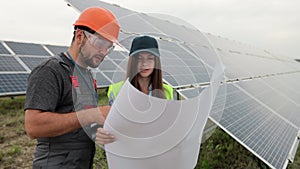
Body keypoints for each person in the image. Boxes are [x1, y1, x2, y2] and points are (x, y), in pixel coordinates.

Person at [24, 7, 120, 169]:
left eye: (109, 47)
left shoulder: (87, 76)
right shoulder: (51, 70)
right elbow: (33, 126)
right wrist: (92, 115)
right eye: (100, 44)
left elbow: (84, 121)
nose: (104, 52)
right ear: (80, 36)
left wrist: (98, 133)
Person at [95, 35, 173, 145]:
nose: (144, 63)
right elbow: (112, 127)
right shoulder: (116, 90)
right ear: (132, 61)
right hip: (129, 152)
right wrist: (103, 134)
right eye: (139, 58)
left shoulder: (167, 91)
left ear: (156, 62)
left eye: (150, 58)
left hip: (156, 152)